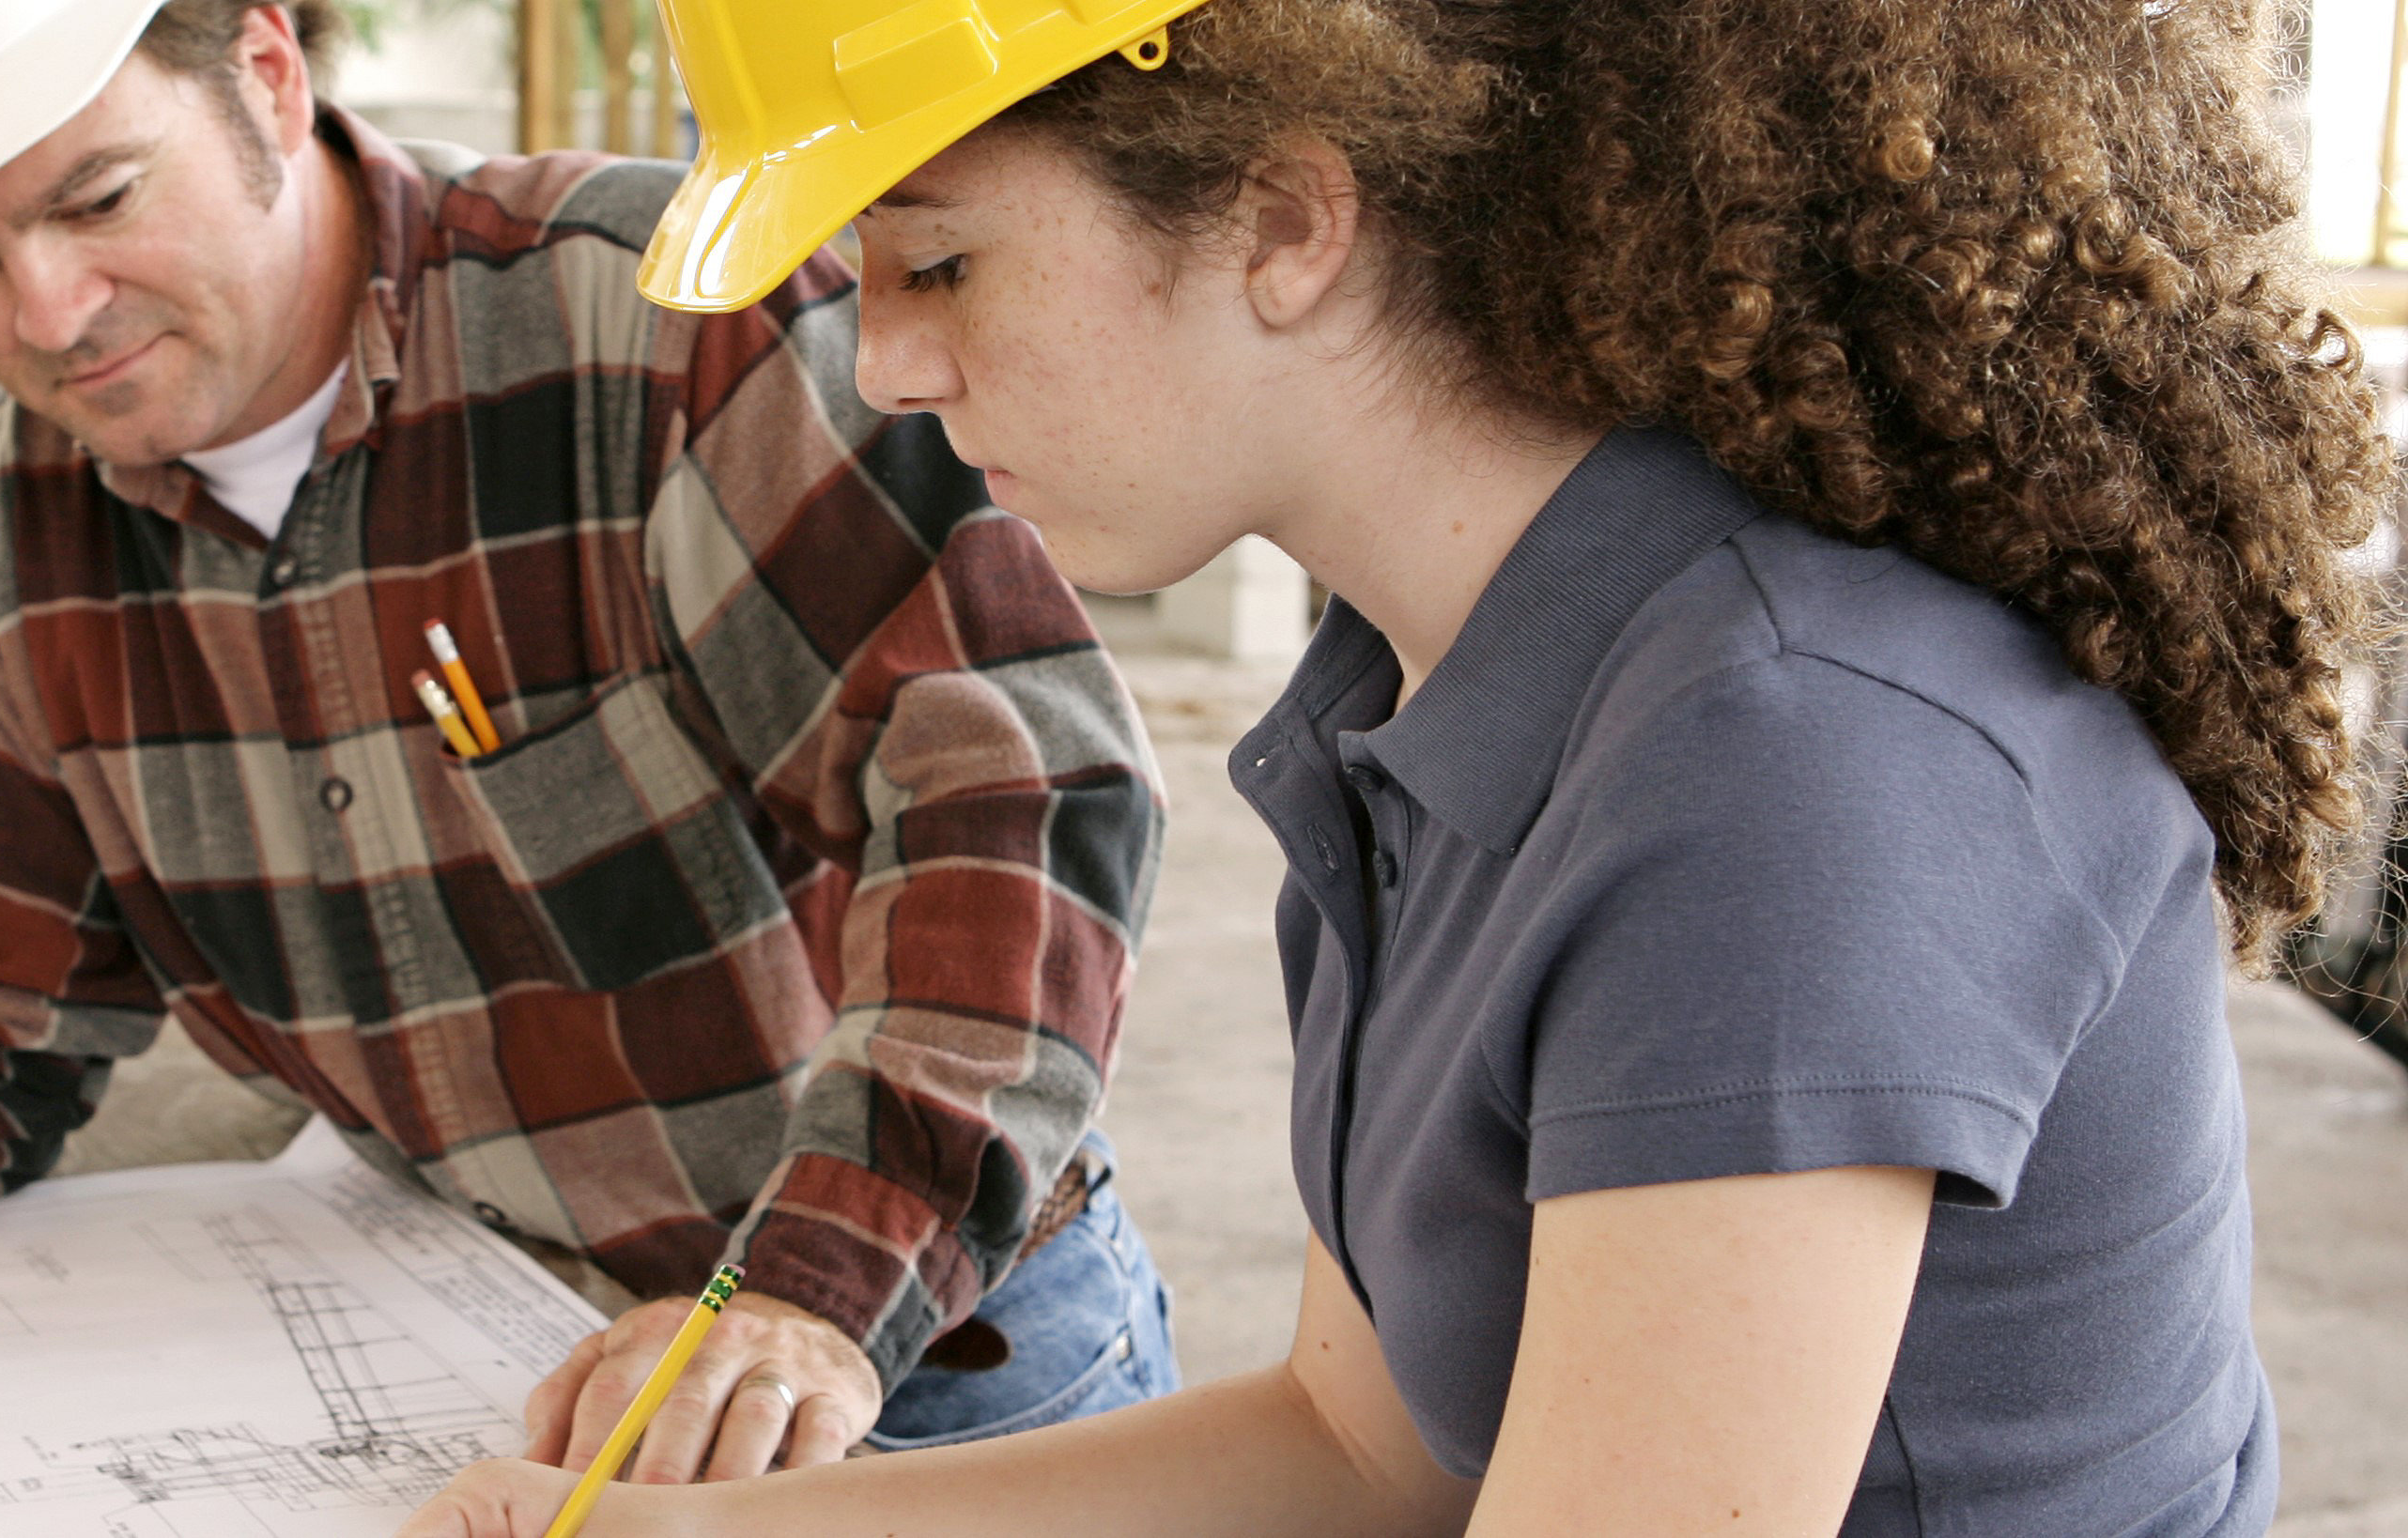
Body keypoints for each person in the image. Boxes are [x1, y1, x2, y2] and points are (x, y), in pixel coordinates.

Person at [399, 0, 2393, 1532]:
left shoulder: (1790, 769)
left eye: (938, 267)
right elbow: (1362, 1452)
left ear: (1282, 217)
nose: (890, 369)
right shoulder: (1433, 673)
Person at [0, 0, 1181, 1479]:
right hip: (507, 1337)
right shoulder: (6, 527)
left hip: (915, 1342)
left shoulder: (663, 326)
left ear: (265, 73)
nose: (51, 312)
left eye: (101, 200)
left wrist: (801, 1290)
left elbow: (1016, 791)